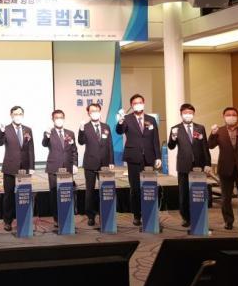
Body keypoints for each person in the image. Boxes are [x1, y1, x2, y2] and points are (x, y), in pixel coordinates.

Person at [116, 94, 161, 226]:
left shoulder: (151, 120)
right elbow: (119, 131)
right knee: (135, 188)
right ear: (132, 105)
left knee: (149, 187)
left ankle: (149, 214)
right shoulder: (127, 119)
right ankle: (137, 215)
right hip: (133, 157)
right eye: (135, 103)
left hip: (149, 157)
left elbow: (155, 139)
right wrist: (120, 122)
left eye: (140, 102)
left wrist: (158, 156)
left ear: (144, 103)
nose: (138, 104)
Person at [208, 107, 238, 229]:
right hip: (225, 169)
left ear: (237, 117)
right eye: (228, 115)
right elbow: (210, 145)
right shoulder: (219, 131)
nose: (231, 117)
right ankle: (228, 221)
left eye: (234, 114)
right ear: (224, 117)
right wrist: (212, 134)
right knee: (226, 198)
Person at [167, 104, 211, 228]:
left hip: (199, 165)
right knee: (184, 194)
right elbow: (171, 146)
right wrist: (173, 137)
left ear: (193, 114)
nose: (188, 115)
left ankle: (199, 216)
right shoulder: (175, 128)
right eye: (185, 113)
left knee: (198, 192)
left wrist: (207, 163)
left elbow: (205, 146)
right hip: (183, 165)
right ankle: (186, 218)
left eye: (190, 113)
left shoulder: (200, 128)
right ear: (181, 114)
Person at [0, 106, 35, 231]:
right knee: (8, 195)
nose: (18, 116)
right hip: (10, 167)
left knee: (24, 194)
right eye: (15, 114)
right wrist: (1, 131)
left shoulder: (27, 129)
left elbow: (31, 149)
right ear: (11, 115)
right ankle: (7, 221)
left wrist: (32, 166)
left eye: (20, 113)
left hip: (24, 167)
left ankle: (24, 220)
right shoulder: (6, 129)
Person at [78, 103, 114, 226]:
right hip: (90, 163)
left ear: (100, 111)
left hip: (105, 163)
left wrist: (111, 161)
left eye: (97, 110)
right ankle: (90, 216)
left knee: (106, 189)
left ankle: (105, 214)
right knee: (90, 191)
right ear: (88, 113)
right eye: (92, 111)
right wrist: (81, 130)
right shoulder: (85, 127)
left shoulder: (106, 127)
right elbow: (81, 142)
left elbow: (110, 145)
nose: (95, 112)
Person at [42, 110, 78, 225]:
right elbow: (44, 143)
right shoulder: (49, 132)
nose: (59, 119)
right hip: (53, 167)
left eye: (61, 117)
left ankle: (67, 216)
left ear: (64, 118)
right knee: (54, 194)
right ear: (53, 119)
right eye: (56, 117)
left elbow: (74, 150)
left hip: (67, 167)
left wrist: (75, 164)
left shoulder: (70, 133)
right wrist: (47, 135)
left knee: (67, 193)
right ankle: (57, 218)